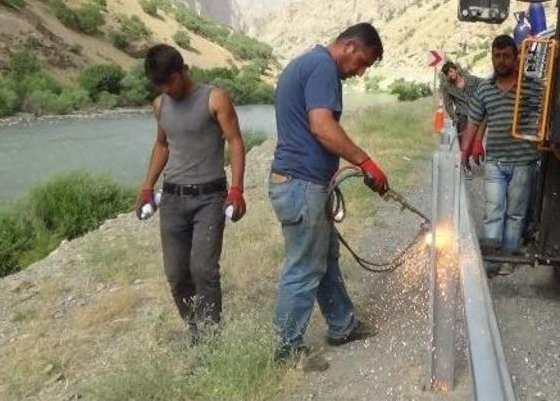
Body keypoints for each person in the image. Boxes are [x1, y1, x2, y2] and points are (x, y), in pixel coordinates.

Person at [270, 22, 389, 369]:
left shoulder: (308, 63)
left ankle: (342, 325)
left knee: (325, 258)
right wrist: (365, 161)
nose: (361, 72)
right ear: (349, 46)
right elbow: (322, 126)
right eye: (362, 62)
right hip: (301, 185)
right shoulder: (323, 67)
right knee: (304, 268)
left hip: (305, 184)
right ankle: (286, 351)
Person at [137, 44, 247, 342]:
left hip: (209, 198)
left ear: (183, 70)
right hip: (172, 199)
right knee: (176, 274)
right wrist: (147, 186)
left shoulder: (215, 98)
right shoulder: (160, 105)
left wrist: (237, 189)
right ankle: (195, 329)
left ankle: (210, 339)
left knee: (203, 269)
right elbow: (162, 145)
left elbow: (235, 142)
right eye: (159, 84)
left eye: (169, 81)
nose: (166, 89)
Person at [461, 35, 540, 276]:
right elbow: (473, 121)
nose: (501, 60)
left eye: (506, 56)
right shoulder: (485, 89)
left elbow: (544, 117)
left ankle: (508, 259)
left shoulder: (532, 87)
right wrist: (465, 151)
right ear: (492, 57)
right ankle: (491, 261)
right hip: (495, 162)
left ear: (516, 58)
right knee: (493, 211)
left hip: (523, 161)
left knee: (515, 214)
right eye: (497, 56)